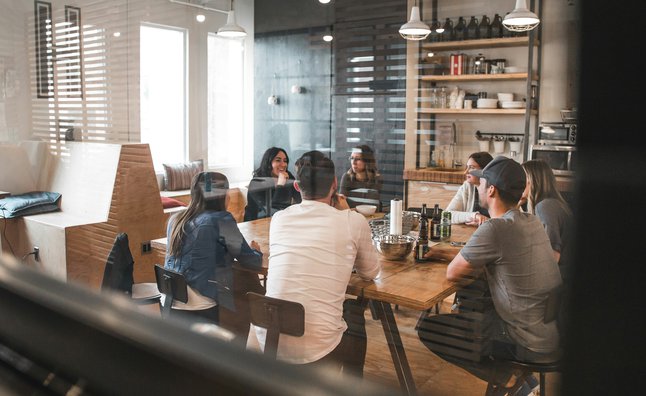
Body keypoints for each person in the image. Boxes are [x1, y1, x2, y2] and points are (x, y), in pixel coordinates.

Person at [418, 156, 562, 394]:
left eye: (482, 182)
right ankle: (525, 384)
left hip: (522, 340)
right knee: (476, 299)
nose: (478, 186)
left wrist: (444, 257)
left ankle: (504, 376)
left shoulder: (495, 228)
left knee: (429, 329)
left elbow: (453, 273)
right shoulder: (530, 221)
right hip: (547, 331)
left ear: (492, 190)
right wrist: (443, 253)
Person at [254, 150, 381, 377]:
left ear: (296, 186)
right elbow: (371, 272)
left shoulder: (279, 219)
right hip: (317, 347)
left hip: (269, 338)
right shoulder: (352, 221)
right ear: (334, 184)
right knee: (354, 314)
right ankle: (353, 385)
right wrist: (347, 213)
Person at [165, 171, 264, 345]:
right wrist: (257, 250)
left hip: (172, 299)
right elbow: (251, 261)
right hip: (201, 302)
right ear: (223, 196)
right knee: (245, 287)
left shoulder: (176, 220)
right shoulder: (221, 220)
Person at [520, 159, 574, 281]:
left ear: (532, 181)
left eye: (521, 179)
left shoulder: (546, 206)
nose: (517, 183)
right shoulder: (552, 203)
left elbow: (552, 256)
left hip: (560, 279)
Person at [244, 147, 302, 221]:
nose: (283, 164)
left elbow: (300, 199)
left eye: (285, 161)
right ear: (268, 163)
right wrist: (280, 185)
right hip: (256, 224)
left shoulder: (288, 176)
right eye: (278, 160)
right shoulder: (256, 182)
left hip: (280, 221)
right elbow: (272, 211)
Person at [445, 151, 493, 225]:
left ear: (484, 170)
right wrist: (475, 216)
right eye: (467, 167)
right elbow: (447, 215)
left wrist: (485, 222)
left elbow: (503, 221)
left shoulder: (495, 189)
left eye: (471, 167)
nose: (466, 172)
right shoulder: (467, 186)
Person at [339, 145, 383, 209]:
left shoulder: (377, 179)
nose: (353, 162)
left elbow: (373, 206)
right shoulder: (347, 177)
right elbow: (341, 204)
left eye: (358, 159)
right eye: (352, 158)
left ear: (367, 161)